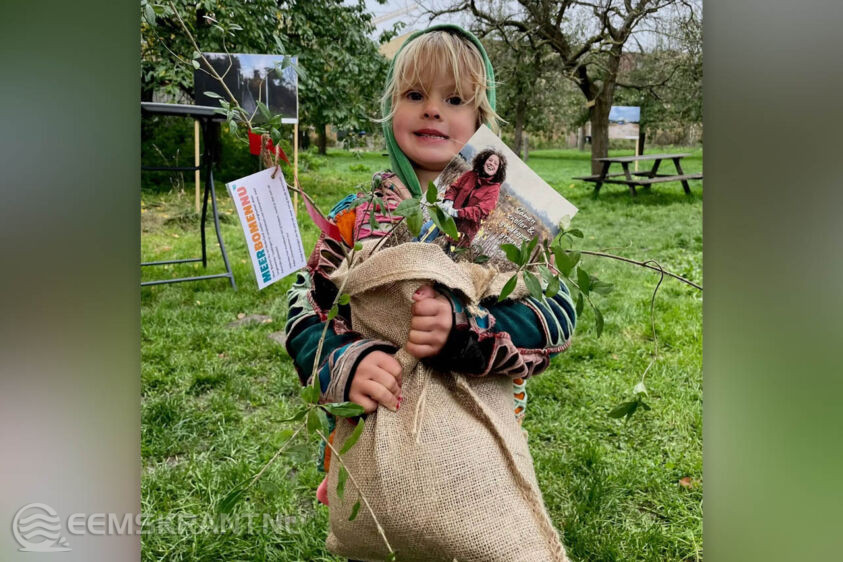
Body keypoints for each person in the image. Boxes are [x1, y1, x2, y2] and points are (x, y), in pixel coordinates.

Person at [283, 24, 576, 555]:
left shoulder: (510, 222)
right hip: (375, 423)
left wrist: (469, 330)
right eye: (415, 94)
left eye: (455, 99)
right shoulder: (356, 213)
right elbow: (306, 302)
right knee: (382, 529)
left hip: (477, 428)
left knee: (475, 533)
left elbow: (557, 314)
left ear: (481, 119)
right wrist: (343, 363)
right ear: (390, 106)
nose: (433, 110)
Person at [441, 148, 507, 246]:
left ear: (498, 170)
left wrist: (457, 213)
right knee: (425, 234)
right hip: (447, 218)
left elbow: (480, 211)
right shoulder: (470, 175)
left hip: (463, 232)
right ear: (484, 161)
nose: (491, 163)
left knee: (447, 255)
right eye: (490, 160)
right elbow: (454, 188)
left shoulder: (494, 190)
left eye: (495, 163)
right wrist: (448, 201)